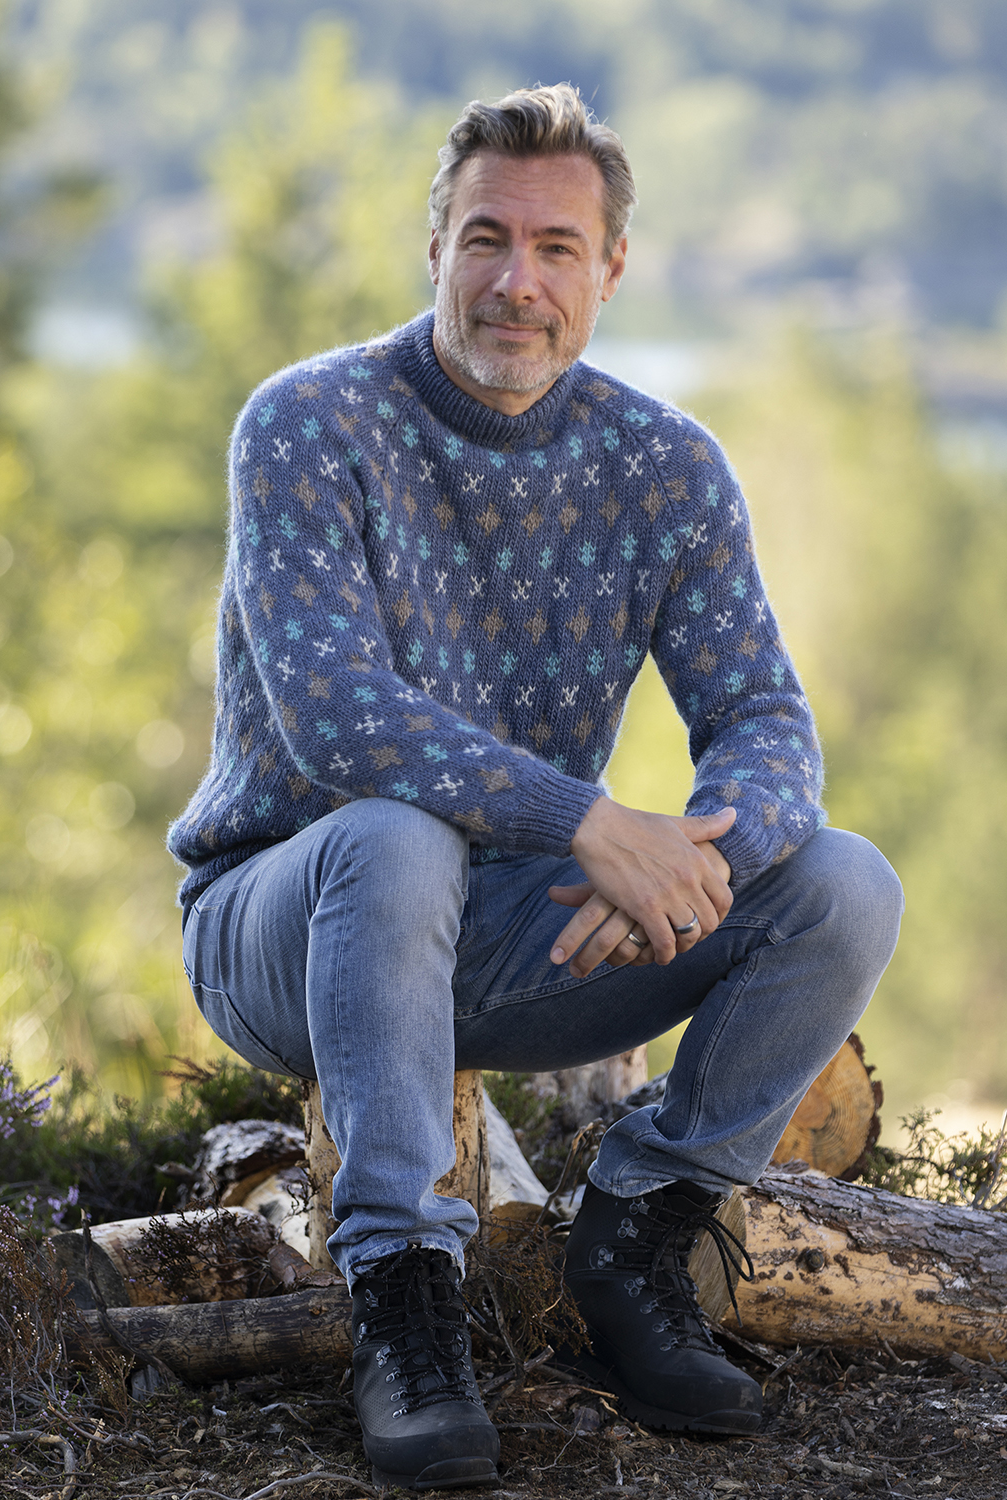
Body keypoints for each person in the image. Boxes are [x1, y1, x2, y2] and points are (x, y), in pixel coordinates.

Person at [169, 84, 903, 1491]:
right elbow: (335, 718)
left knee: (843, 886)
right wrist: (588, 824)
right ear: (435, 249)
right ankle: (402, 1298)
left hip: (517, 940)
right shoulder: (308, 423)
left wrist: (695, 861)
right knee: (392, 837)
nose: (518, 282)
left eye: (557, 248)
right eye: (486, 238)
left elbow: (764, 721)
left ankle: (637, 1237)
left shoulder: (664, 467)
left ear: (609, 269)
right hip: (284, 927)